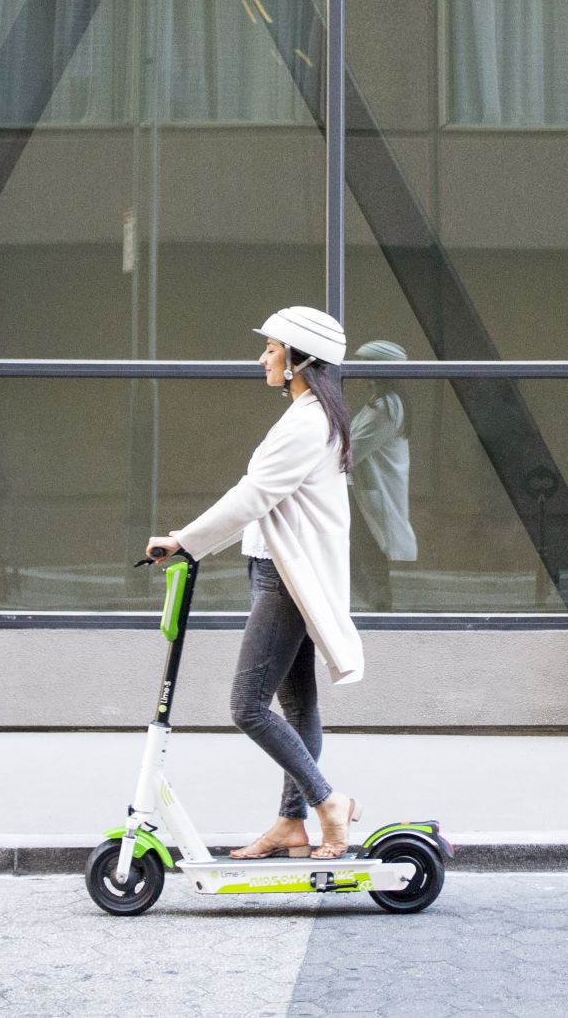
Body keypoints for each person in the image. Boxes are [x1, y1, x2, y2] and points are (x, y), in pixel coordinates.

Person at [146, 306, 364, 860]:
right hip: (277, 570)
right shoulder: (312, 416)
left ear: (299, 360)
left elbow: (252, 496)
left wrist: (184, 540)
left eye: (271, 348)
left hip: (285, 580)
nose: (262, 358)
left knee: (247, 705)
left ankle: (326, 801)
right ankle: (291, 824)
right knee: (296, 706)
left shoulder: (308, 422)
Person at [347, 339, 417, 612]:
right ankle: (374, 606)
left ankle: (379, 610)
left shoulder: (386, 408)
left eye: (365, 363)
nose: (358, 369)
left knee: (371, 555)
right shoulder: (382, 403)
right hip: (368, 491)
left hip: (375, 493)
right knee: (365, 554)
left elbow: (351, 450)